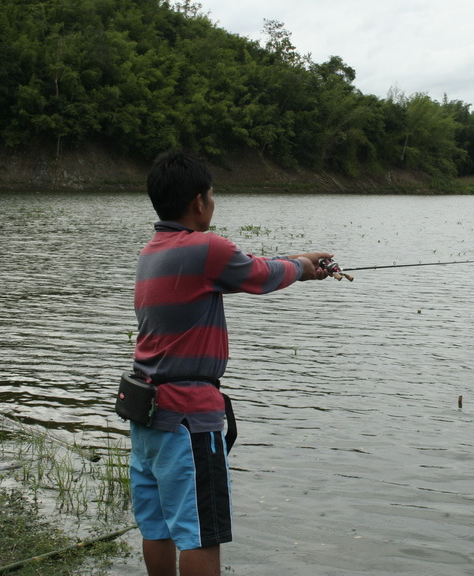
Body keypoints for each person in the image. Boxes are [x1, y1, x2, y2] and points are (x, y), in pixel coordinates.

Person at [129, 149, 332, 576]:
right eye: (212, 195)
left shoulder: (154, 252)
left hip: (147, 413)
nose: (213, 204)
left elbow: (237, 271)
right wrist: (301, 266)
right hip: (188, 419)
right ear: (199, 202)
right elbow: (258, 274)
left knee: (158, 526)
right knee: (202, 532)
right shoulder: (206, 249)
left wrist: (296, 263)